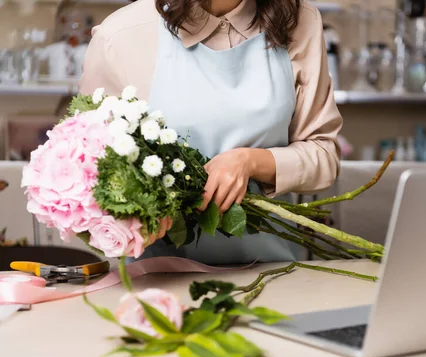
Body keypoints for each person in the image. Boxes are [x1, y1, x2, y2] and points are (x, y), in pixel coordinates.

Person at [78, 0, 342, 265]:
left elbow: (323, 155)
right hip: (155, 280)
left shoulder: (299, 20)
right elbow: (88, 168)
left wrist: (250, 162)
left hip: (271, 270)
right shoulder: (122, 34)